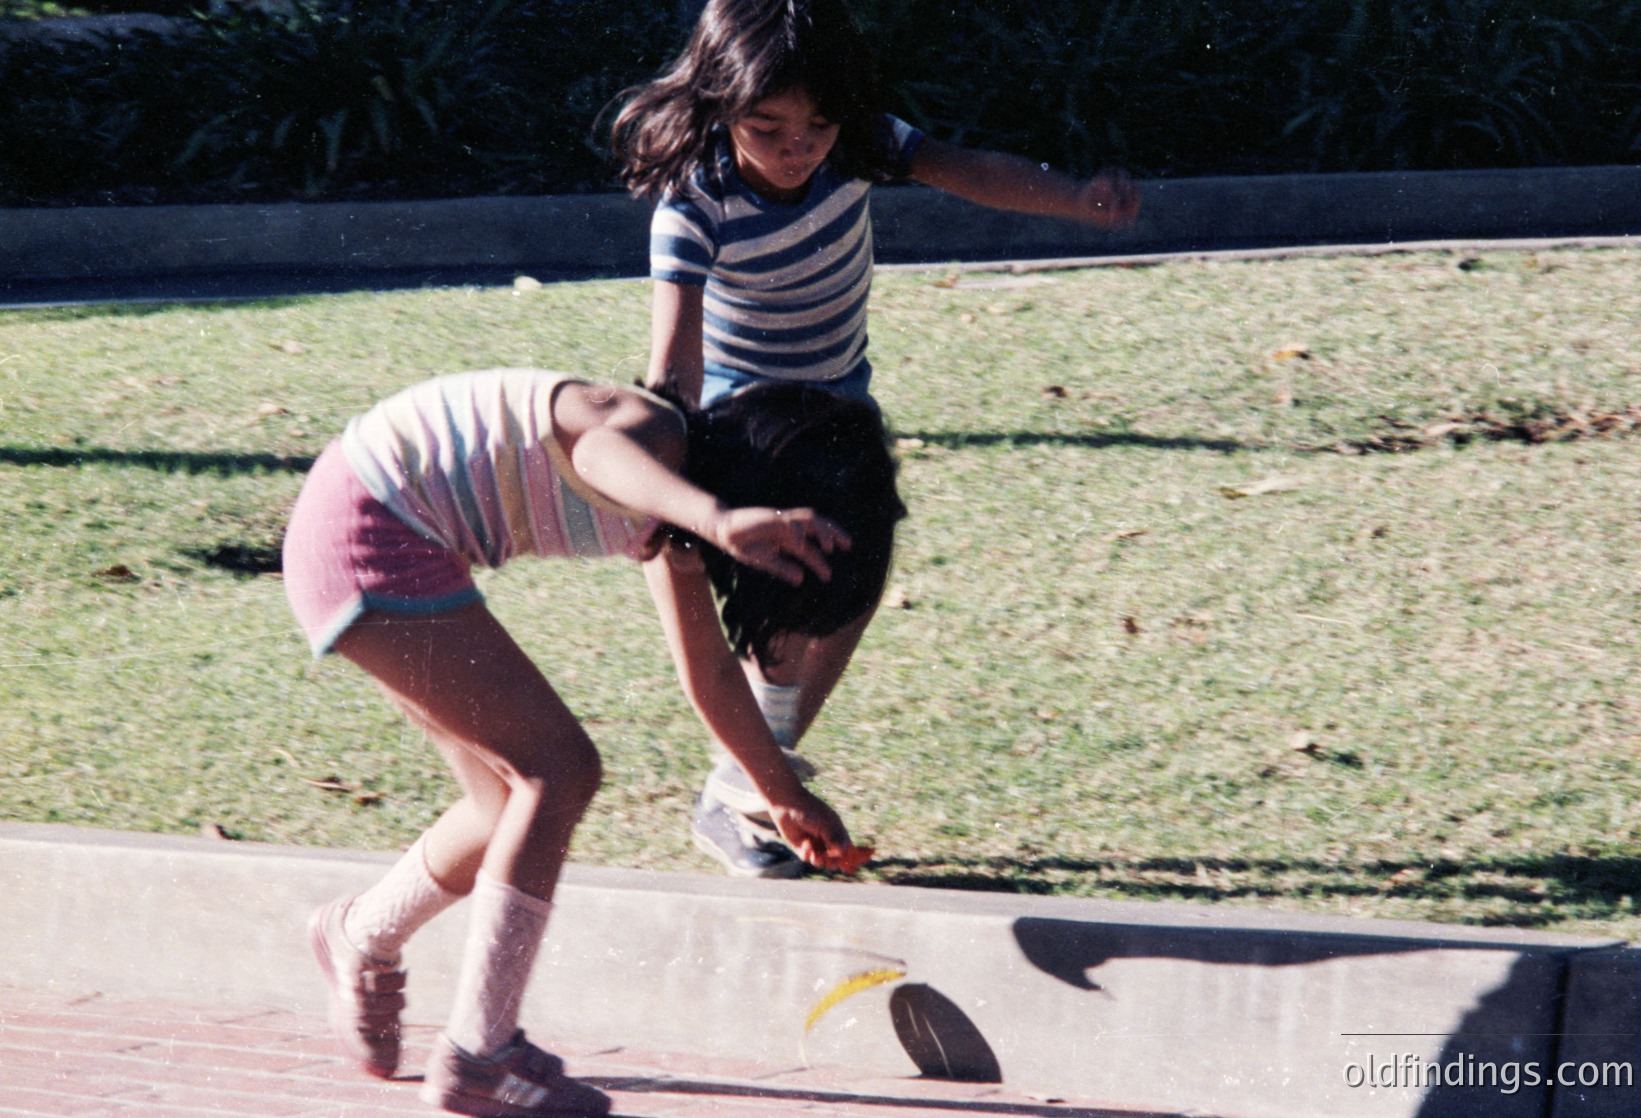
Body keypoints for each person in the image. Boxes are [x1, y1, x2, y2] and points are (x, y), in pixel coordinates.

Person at [282, 368, 905, 1117]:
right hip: (365, 531)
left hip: (377, 534)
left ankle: (361, 933)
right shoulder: (653, 432)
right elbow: (596, 451)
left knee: (501, 803)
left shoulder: (674, 529)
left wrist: (780, 792)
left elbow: (708, 671)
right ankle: (482, 1053)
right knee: (559, 770)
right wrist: (716, 518)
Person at [609, 0, 1140, 878]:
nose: (797, 147)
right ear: (717, 103)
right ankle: (753, 790)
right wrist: (674, 477)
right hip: (749, 416)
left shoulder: (857, 141)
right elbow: (673, 362)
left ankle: (745, 779)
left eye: (816, 124)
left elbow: (968, 168)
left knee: (856, 576)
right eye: (768, 126)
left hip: (841, 401)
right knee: (785, 604)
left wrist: (1073, 200)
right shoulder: (694, 201)